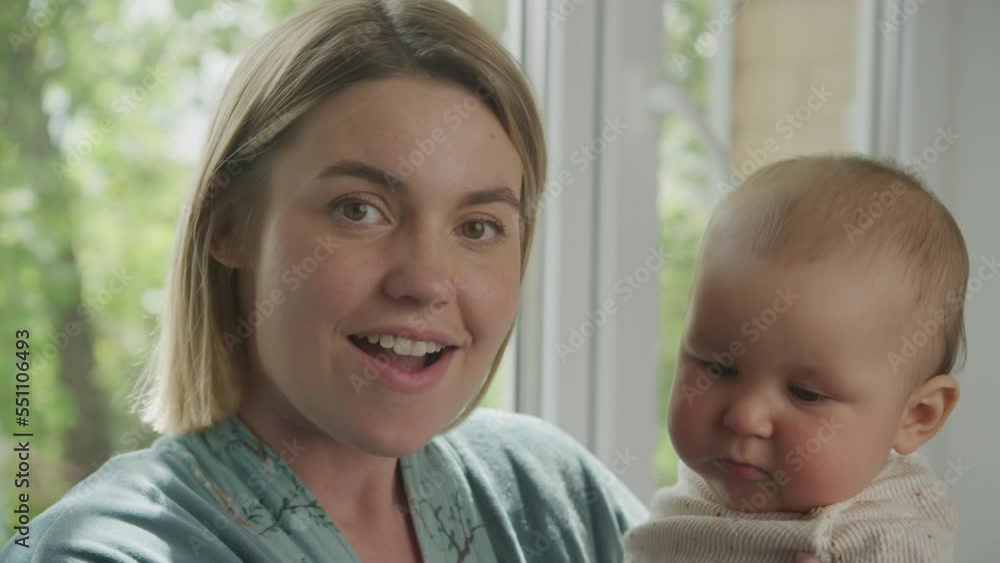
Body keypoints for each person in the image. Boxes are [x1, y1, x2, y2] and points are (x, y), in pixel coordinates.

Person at [1, 1, 827, 561]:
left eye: (479, 226)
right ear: (230, 224)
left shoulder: (550, 494)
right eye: (359, 209)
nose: (427, 280)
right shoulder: (110, 549)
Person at [624, 155, 966, 562]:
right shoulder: (695, 494)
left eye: (805, 393)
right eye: (719, 367)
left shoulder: (886, 534)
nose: (744, 417)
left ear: (915, 415)